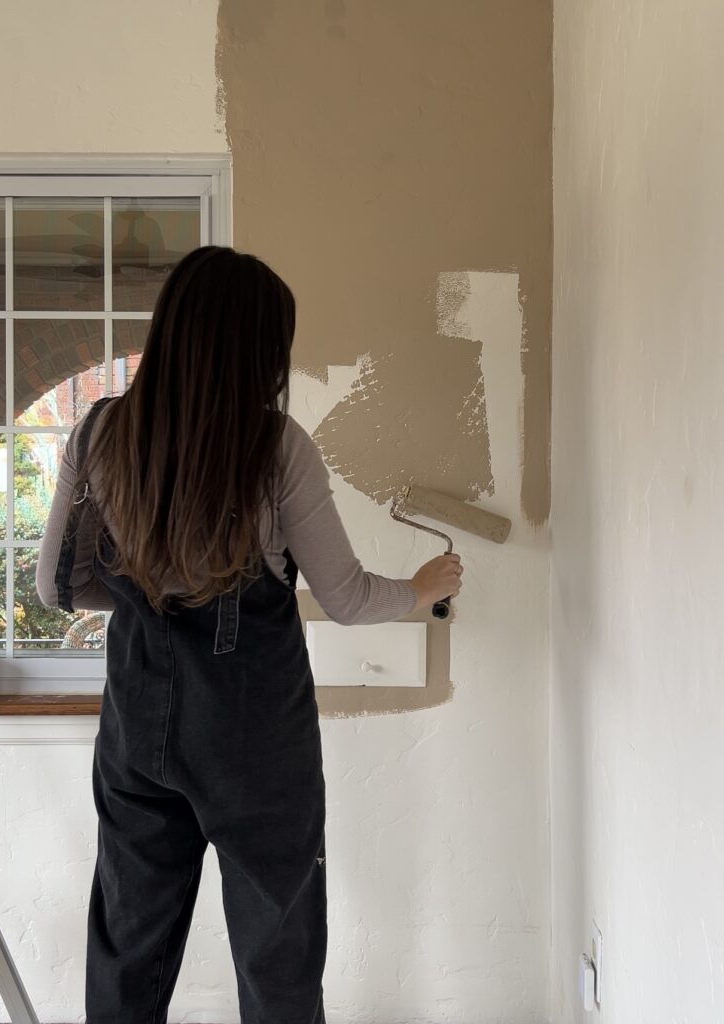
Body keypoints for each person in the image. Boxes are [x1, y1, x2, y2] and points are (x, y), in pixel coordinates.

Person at [35, 246, 463, 1024]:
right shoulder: (277, 448)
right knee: (279, 960)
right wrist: (422, 587)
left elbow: (57, 587)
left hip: (138, 729)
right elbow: (346, 596)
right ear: (256, 347)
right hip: (254, 742)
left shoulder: (100, 432)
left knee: (129, 949)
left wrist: (146, 599)